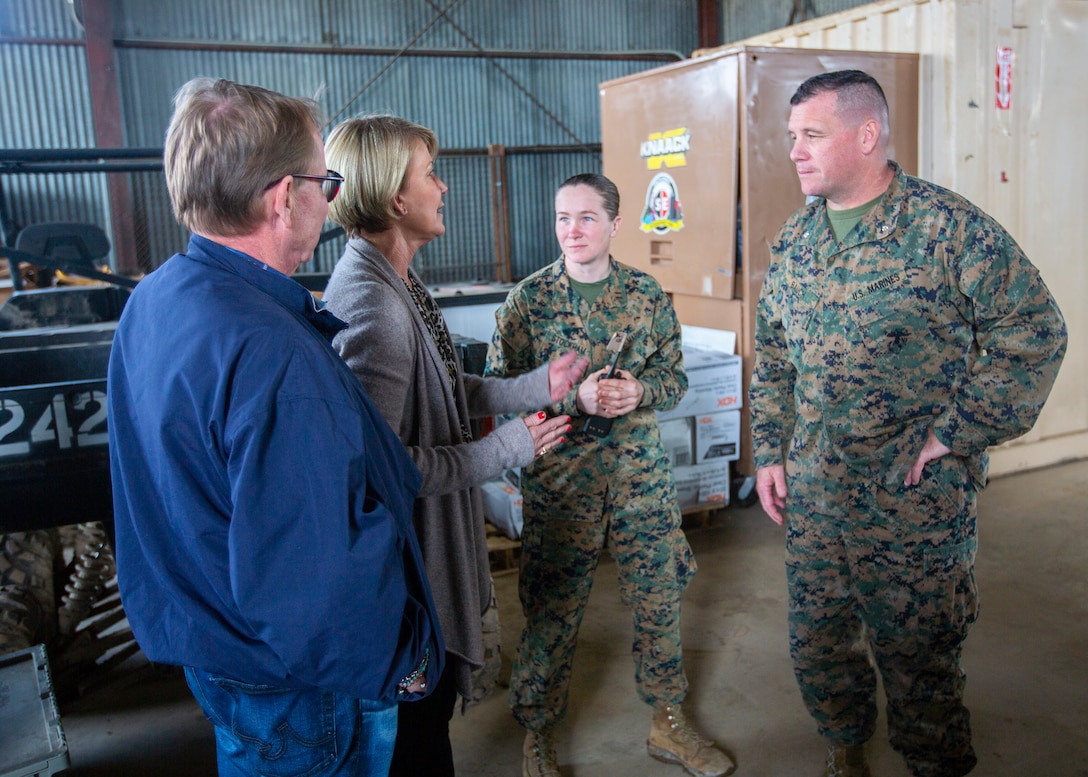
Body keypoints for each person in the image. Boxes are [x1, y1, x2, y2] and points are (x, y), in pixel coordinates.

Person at [107, 78, 443, 777]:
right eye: (325, 181)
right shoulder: (272, 353)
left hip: (215, 645)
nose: (331, 197)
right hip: (298, 687)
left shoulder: (157, 298)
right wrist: (401, 662)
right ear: (282, 199)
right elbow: (318, 579)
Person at [749, 69, 1067, 777]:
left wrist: (957, 430)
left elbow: (1035, 331)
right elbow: (774, 354)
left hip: (913, 502)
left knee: (919, 655)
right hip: (816, 498)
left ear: (867, 136)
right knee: (818, 644)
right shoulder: (797, 240)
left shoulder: (947, 229)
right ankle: (845, 749)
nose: (794, 151)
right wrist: (769, 448)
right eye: (791, 136)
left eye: (812, 135)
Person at [321, 114, 588, 777]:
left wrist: (530, 388)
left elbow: (442, 385)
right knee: (419, 740)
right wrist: (505, 449)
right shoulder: (371, 306)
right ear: (392, 196)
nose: (444, 188)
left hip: (424, 567)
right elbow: (384, 471)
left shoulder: (398, 280)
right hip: (406, 586)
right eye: (430, 174)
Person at [486, 173, 736, 777]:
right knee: (552, 607)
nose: (573, 230)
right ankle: (538, 731)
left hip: (638, 480)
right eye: (563, 218)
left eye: (587, 218)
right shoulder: (527, 303)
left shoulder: (647, 296)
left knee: (659, 599)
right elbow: (496, 396)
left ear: (616, 225)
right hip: (562, 483)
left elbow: (675, 380)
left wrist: (642, 389)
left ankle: (668, 722)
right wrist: (577, 402)